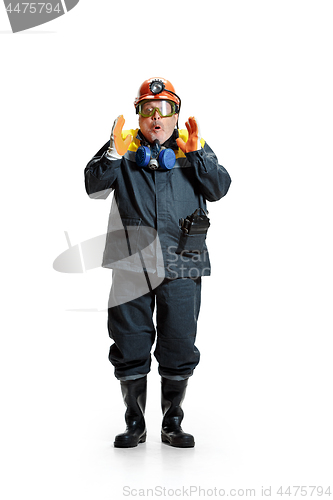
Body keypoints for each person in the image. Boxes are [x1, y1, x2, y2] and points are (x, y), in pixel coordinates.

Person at [84, 77, 231, 448]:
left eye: (163, 110)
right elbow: (93, 187)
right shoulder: (125, 147)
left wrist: (198, 155)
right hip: (131, 264)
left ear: (175, 115)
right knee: (129, 343)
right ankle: (135, 421)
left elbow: (220, 188)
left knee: (179, 343)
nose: (155, 118)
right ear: (138, 115)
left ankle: (172, 421)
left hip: (183, 262)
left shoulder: (190, 147)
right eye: (147, 110)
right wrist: (114, 154)